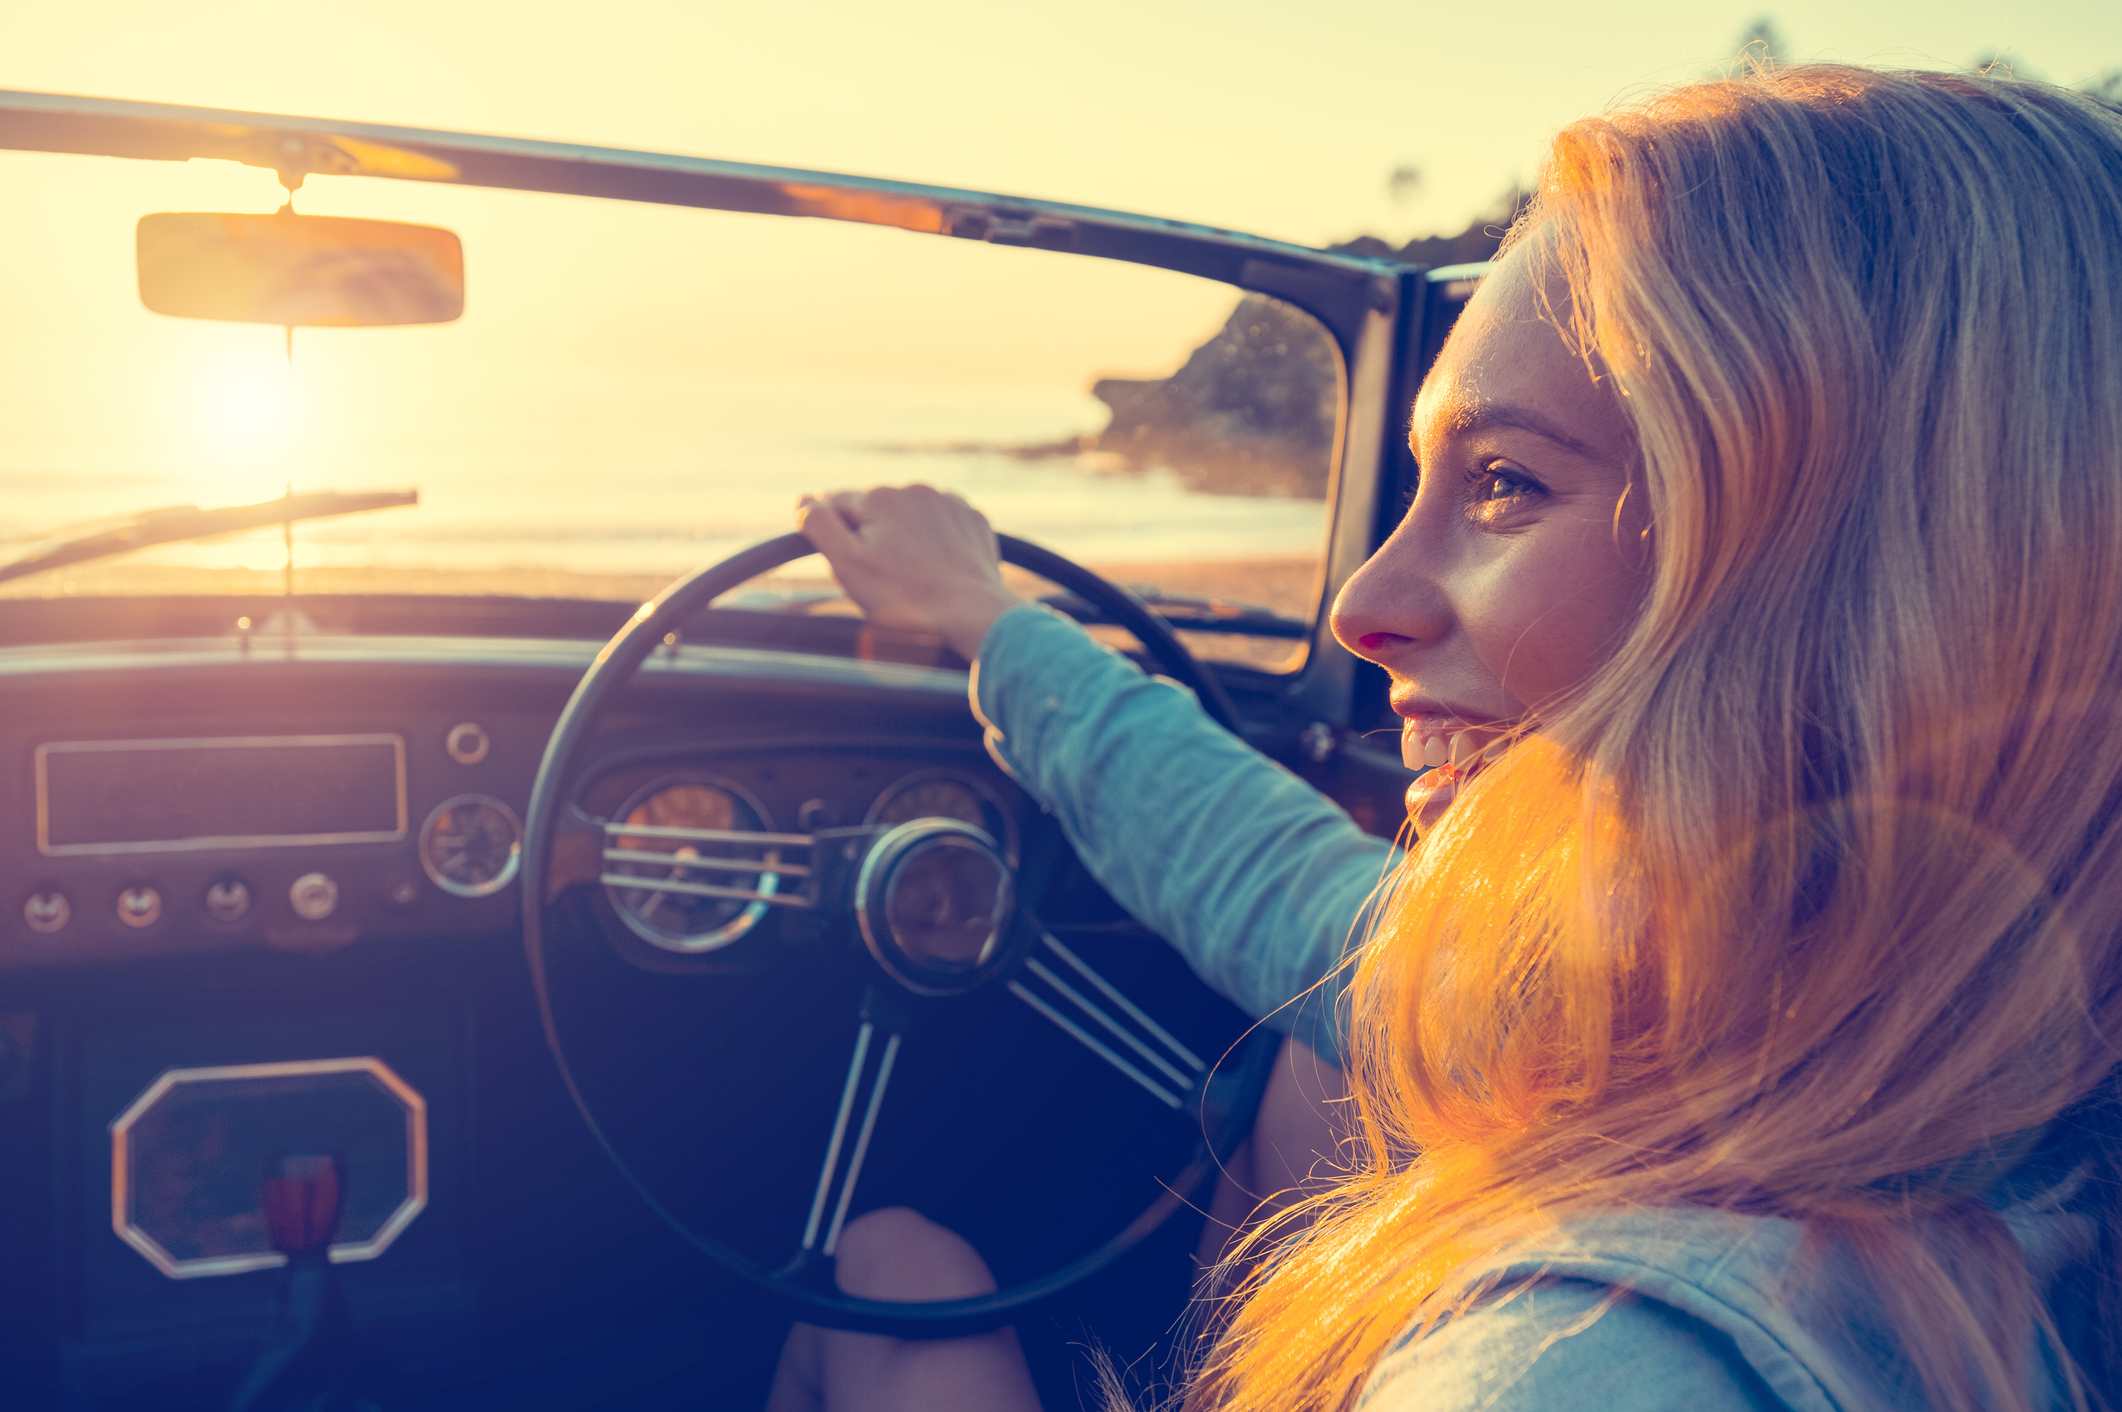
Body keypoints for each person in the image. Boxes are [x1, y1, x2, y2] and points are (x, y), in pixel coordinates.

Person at [771, 63, 2122, 1412]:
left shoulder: (1583, 1367)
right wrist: (986, 616)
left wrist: (983, 614)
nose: (1361, 607)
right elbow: (1273, 877)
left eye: (1504, 483)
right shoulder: (1677, 1018)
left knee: (883, 1270)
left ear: (1862, 579)